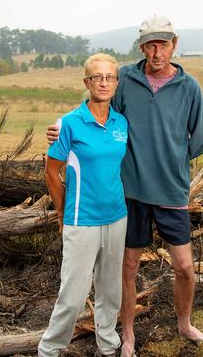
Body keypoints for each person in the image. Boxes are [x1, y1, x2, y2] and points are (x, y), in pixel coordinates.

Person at [47, 15, 203, 356]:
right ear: (141, 47)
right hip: (131, 194)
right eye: (151, 45)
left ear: (175, 44)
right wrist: (60, 127)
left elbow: (200, 140)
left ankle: (184, 324)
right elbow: (99, 101)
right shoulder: (125, 77)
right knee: (127, 268)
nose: (157, 52)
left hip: (171, 191)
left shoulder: (190, 87)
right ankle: (127, 336)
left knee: (184, 267)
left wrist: (168, 155)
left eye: (164, 44)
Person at [38, 53, 128, 357]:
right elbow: (52, 172)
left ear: (116, 81)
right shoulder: (69, 124)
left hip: (117, 218)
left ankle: (108, 345)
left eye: (110, 77)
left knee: (110, 291)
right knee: (73, 296)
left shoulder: (121, 123)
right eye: (97, 77)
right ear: (86, 82)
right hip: (82, 220)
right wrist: (63, 212)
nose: (104, 82)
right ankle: (49, 350)